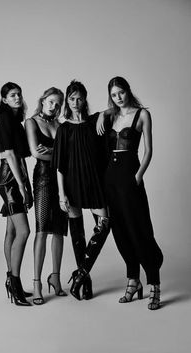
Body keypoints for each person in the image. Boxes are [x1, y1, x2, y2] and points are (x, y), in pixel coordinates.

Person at [97, 76, 163, 310]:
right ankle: (133, 279)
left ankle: (154, 282)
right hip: (110, 178)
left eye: (121, 92)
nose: (118, 98)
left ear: (128, 91)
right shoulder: (110, 115)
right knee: (120, 230)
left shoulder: (142, 114)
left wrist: (138, 176)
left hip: (130, 175)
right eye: (114, 95)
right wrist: (103, 115)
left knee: (139, 228)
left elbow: (148, 150)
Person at [52, 80, 110, 301]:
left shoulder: (95, 121)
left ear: (85, 99)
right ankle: (85, 283)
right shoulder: (64, 129)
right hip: (72, 185)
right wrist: (61, 194)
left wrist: (103, 114)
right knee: (78, 234)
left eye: (79, 98)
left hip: (94, 182)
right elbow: (60, 165)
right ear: (67, 100)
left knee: (104, 224)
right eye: (72, 98)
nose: (76, 102)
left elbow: (114, 109)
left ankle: (80, 273)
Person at [25, 87, 68, 305]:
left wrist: (51, 154)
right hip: (42, 179)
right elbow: (35, 152)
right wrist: (58, 155)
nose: (54, 106)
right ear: (43, 101)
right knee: (42, 229)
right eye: (51, 102)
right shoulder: (31, 122)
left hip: (62, 180)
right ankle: (36, 283)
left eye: (58, 103)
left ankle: (56, 277)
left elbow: (68, 156)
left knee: (59, 230)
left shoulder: (61, 126)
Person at [0, 82, 33, 306]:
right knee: (24, 231)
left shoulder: (15, 119)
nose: (17, 97)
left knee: (11, 230)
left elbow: (20, 154)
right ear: (4, 99)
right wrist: (21, 185)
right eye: (12, 95)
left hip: (14, 174)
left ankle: (11, 278)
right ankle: (15, 284)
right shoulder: (5, 119)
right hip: (9, 178)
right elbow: (9, 154)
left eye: (19, 94)